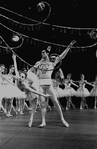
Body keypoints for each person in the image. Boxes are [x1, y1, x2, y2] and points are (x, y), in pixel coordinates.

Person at [31, 41, 75, 128]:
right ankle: (43, 122)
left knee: (55, 102)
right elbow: (31, 70)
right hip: (40, 85)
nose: (54, 58)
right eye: (42, 52)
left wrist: (68, 47)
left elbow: (62, 56)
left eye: (55, 58)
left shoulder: (52, 64)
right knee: (42, 104)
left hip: (49, 85)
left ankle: (62, 119)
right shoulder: (38, 63)